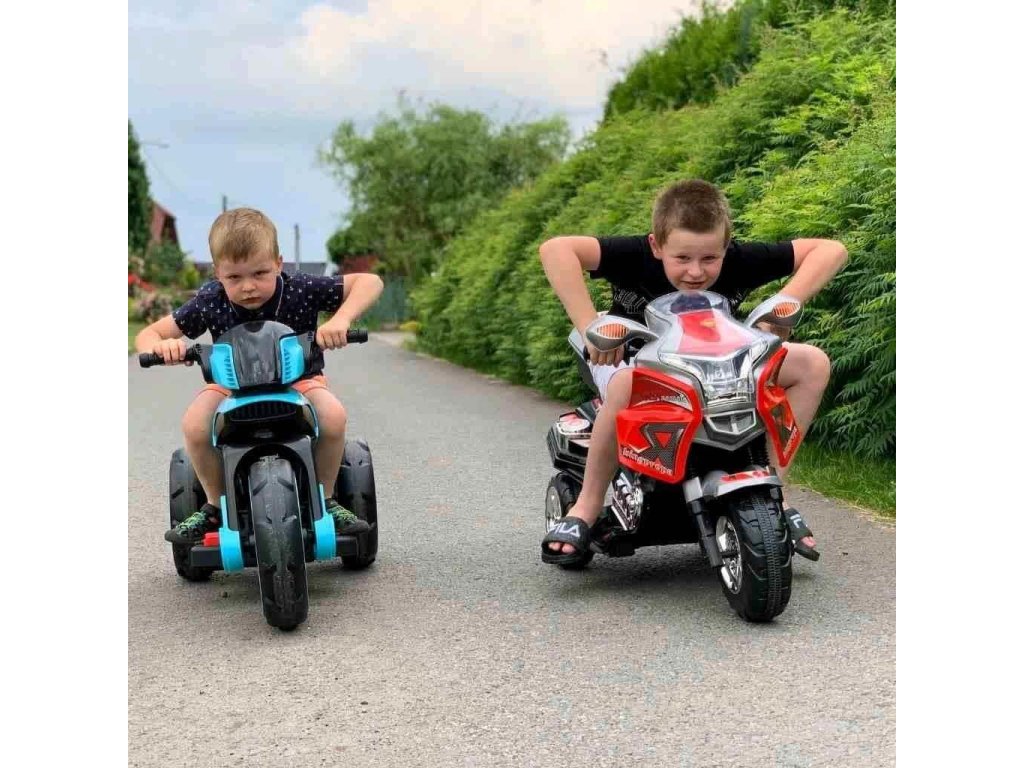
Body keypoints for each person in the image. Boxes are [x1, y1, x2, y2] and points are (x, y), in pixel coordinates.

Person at [538, 179, 847, 565]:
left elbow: (831, 249)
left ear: (725, 246)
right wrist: (589, 328)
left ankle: (773, 491)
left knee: (813, 363)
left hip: (717, 365)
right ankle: (586, 505)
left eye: (709, 258)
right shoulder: (635, 255)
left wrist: (784, 303)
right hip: (630, 359)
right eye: (682, 258)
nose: (696, 271)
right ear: (657, 245)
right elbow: (556, 249)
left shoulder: (740, 259)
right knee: (627, 382)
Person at [134, 207, 384, 544]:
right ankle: (215, 505)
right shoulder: (210, 300)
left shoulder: (301, 288)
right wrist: (164, 346)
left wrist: (340, 320)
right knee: (194, 425)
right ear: (217, 273)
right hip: (230, 387)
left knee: (333, 416)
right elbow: (148, 335)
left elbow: (370, 281)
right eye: (234, 278)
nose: (248, 286)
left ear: (279, 263)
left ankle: (326, 498)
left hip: (299, 382)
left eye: (260, 273)